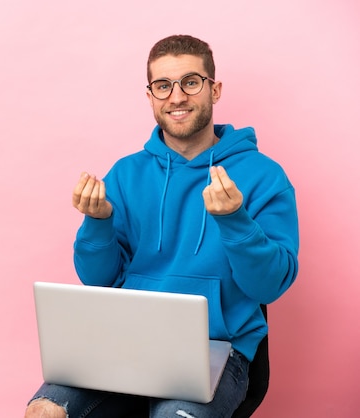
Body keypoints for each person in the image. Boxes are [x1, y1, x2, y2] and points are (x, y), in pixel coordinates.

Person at [25, 34, 300, 418]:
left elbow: (269, 286)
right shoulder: (125, 173)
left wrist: (235, 221)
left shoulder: (263, 176)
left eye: (190, 82)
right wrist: (98, 222)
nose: (176, 97)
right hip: (125, 340)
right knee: (45, 411)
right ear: (151, 95)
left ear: (214, 89)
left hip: (216, 347)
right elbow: (99, 282)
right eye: (163, 86)